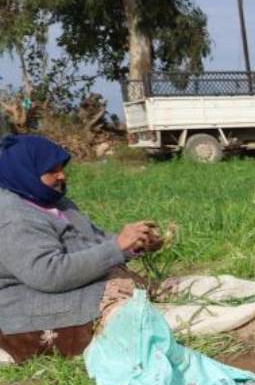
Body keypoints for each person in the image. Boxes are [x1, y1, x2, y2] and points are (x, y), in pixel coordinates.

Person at [0, 134, 163, 363]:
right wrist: (117, 247)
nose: (61, 175)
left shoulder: (56, 202)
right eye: (52, 171)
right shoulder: (14, 218)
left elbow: (95, 240)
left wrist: (134, 244)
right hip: (34, 310)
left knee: (157, 296)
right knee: (144, 322)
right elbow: (48, 274)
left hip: (81, 288)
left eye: (61, 168)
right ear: (25, 173)